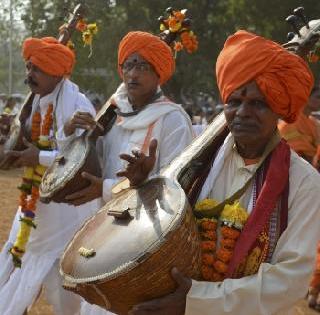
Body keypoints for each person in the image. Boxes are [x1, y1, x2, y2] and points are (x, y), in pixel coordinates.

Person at [121, 30, 320, 315]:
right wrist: (145, 186)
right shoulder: (198, 160)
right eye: (234, 101)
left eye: (258, 103)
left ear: (278, 109)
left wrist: (197, 300)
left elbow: (289, 282)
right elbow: (167, 225)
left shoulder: (303, 183)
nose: (242, 112)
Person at [62, 31, 193, 314]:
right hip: (103, 230)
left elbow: (175, 190)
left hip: (145, 240)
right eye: (129, 65)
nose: (133, 73)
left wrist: (107, 188)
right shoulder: (112, 111)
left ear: (159, 74)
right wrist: (74, 133)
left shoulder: (173, 120)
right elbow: (89, 162)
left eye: (143, 67)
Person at [0, 37, 99, 315]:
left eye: (37, 69)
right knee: (17, 265)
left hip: (66, 216)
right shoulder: (35, 103)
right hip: (36, 209)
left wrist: (40, 156)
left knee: (65, 291)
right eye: (29, 67)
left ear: (58, 72)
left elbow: (84, 160)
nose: (30, 74)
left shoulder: (77, 105)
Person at [278, 85, 320, 170]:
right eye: (318, 97)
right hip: (293, 168)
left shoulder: (315, 123)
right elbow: (296, 151)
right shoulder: (290, 122)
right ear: (306, 97)